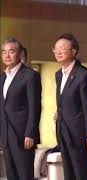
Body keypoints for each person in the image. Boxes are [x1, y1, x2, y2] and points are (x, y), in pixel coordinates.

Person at [0, 37, 42, 180]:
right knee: (11, 175)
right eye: (3, 52)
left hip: (23, 135)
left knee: (24, 175)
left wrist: (30, 133)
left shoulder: (30, 76)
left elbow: (35, 107)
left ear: (20, 54)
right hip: (6, 134)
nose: (7, 55)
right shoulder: (2, 77)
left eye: (11, 51)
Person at [53, 33, 87, 180]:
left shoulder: (83, 74)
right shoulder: (58, 74)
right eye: (55, 49)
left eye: (62, 48)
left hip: (79, 133)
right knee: (68, 174)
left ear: (74, 51)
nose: (58, 52)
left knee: (80, 173)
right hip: (63, 132)